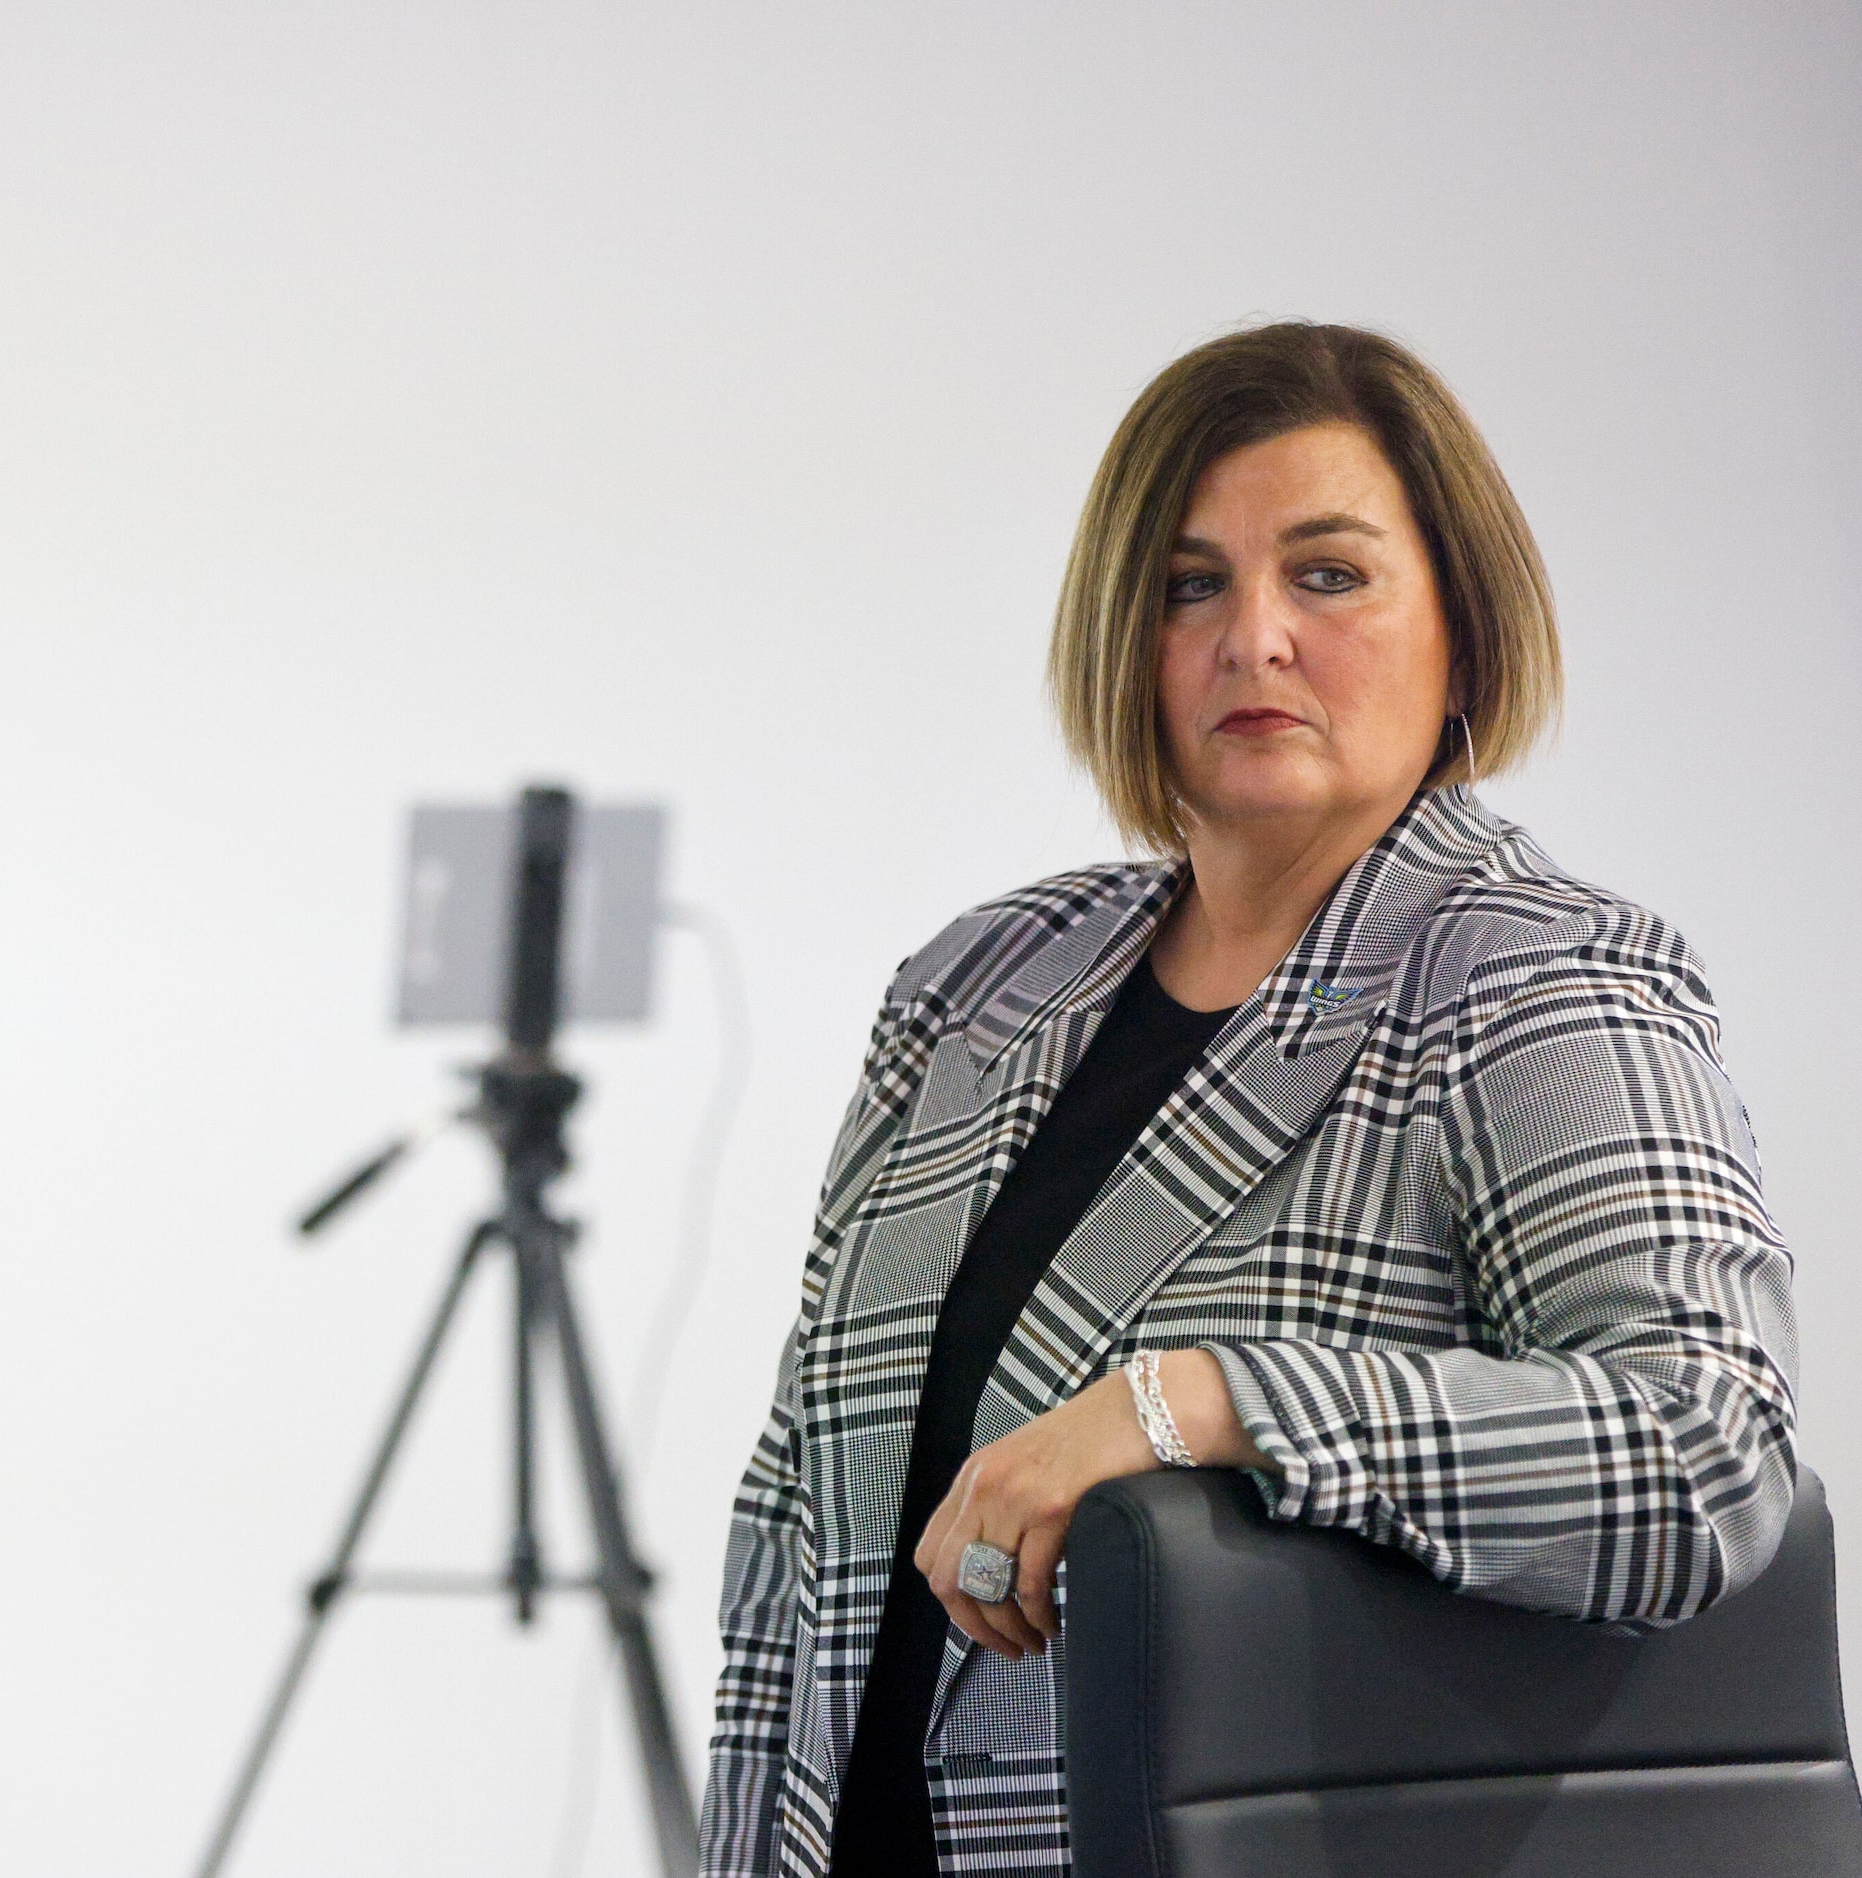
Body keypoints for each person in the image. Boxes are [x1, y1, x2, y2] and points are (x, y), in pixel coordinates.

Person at [698, 321, 1800, 1878]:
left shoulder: (1534, 979)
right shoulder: (975, 985)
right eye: (1190, 583)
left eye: (1329, 574)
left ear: (1464, 629)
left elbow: (1708, 1450)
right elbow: (797, 1534)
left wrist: (1205, 1400)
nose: (1254, 637)